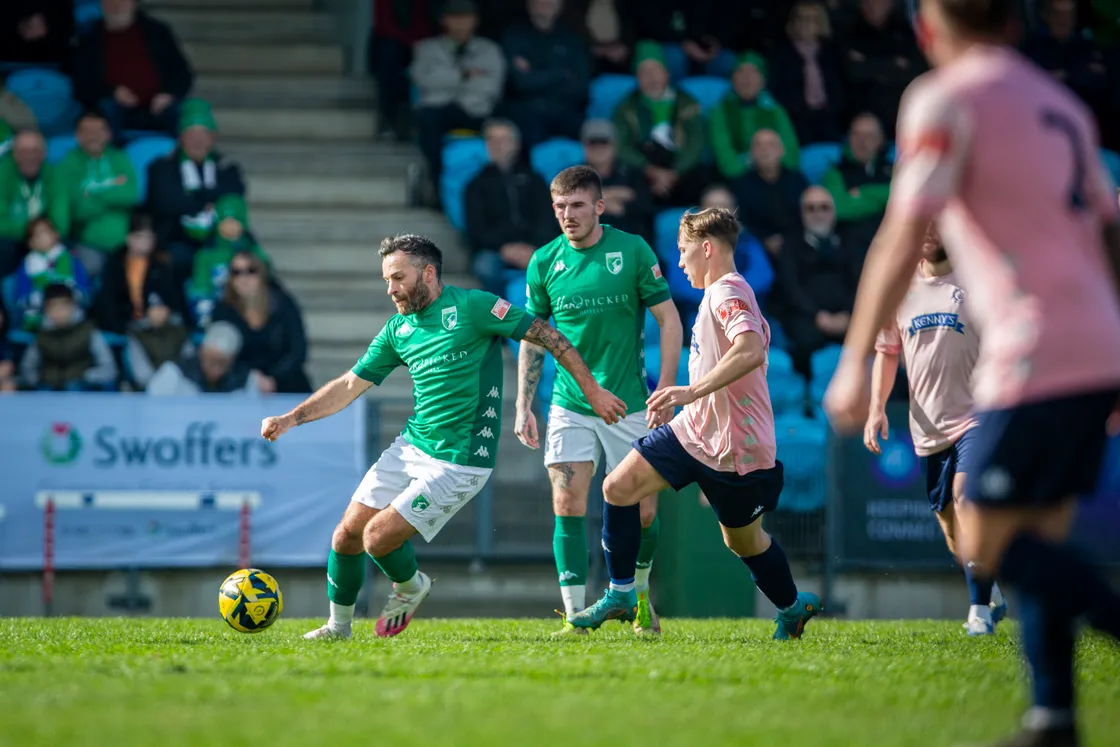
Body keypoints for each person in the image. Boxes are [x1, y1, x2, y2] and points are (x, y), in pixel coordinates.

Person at [823, 2, 1120, 745]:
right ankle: (1053, 711)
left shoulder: (944, 95)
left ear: (928, 30)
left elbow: (900, 230)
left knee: (984, 539)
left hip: (1035, 347)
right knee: (1042, 527)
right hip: (1097, 342)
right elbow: (1110, 234)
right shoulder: (1063, 105)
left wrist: (855, 360)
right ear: (1016, 25)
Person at [262, 233, 627, 641]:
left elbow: (550, 337)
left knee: (376, 538)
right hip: (413, 445)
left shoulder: (474, 306)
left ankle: (412, 586)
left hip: (461, 460)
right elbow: (349, 384)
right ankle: (338, 628)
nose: (391, 289)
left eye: (398, 278)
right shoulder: (398, 330)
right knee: (346, 534)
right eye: (387, 280)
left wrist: (590, 392)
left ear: (429, 272)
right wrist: (292, 418)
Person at [564, 206, 821, 639]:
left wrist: (689, 392)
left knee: (743, 542)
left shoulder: (728, 292)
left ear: (706, 248)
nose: (678, 262)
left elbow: (752, 351)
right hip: (695, 431)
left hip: (738, 446)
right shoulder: (716, 294)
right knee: (617, 488)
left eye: (683, 252)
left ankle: (792, 608)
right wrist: (684, 401)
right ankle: (623, 592)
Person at [517, 165, 683, 636]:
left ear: (599, 207)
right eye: (559, 207)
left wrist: (666, 389)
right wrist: (522, 404)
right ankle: (572, 615)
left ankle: (638, 598)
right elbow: (534, 336)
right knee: (567, 502)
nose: (567, 216)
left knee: (644, 510)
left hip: (630, 403)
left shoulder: (631, 250)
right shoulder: (545, 261)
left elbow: (669, 321)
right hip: (569, 403)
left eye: (576, 206)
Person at [863, 221, 1006, 635]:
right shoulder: (901, 288)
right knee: (949, 525)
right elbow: (887, 352)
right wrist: (877, 409)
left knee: (965, 500)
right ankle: (988, 587)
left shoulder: (977, 277)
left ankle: (978, 613)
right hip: (927, 426)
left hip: (978, 416)